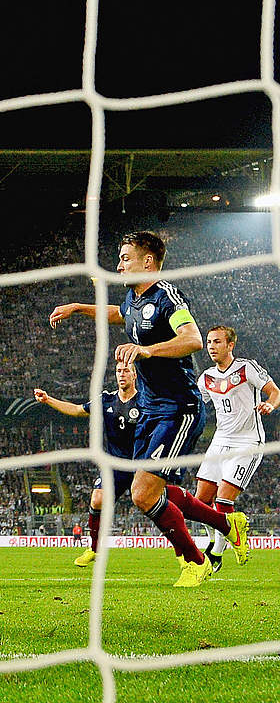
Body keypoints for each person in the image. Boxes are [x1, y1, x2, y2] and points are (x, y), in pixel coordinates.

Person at [49, 230, 247, 587]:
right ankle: (224, 523)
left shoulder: (167, 296)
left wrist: (148, 351)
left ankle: (195, 561)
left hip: (179, 408)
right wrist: (79, 308)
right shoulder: (134, 298)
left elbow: (192, 339)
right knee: (159, 493)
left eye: (125, 259)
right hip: (151, 408)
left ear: (148, 262)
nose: (119, 265)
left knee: (143, 494)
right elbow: (119, 315)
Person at [34, 360, 140, 567]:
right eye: (118, 371)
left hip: (142, 462)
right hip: (115, 463)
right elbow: (76, 410)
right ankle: (94, 548)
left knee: (160, 505)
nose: (121, 374)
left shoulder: (146, 400)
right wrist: (48, 400)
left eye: (126, 370)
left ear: (135, 375)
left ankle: (185, 552)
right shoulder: (107, 400)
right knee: (97, 499)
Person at [194, 325, 277, 571]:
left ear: (230, 345)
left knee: (222, 499)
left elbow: (274, 392)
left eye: (217, 342)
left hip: (247, 442)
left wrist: (270, 405)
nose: (211, 347)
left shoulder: (246, 368)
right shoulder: (206, 377)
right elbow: (197, 404)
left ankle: (217, 552)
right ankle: (215, 539)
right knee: (199, 502)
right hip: (220, 440)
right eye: (209, 342)